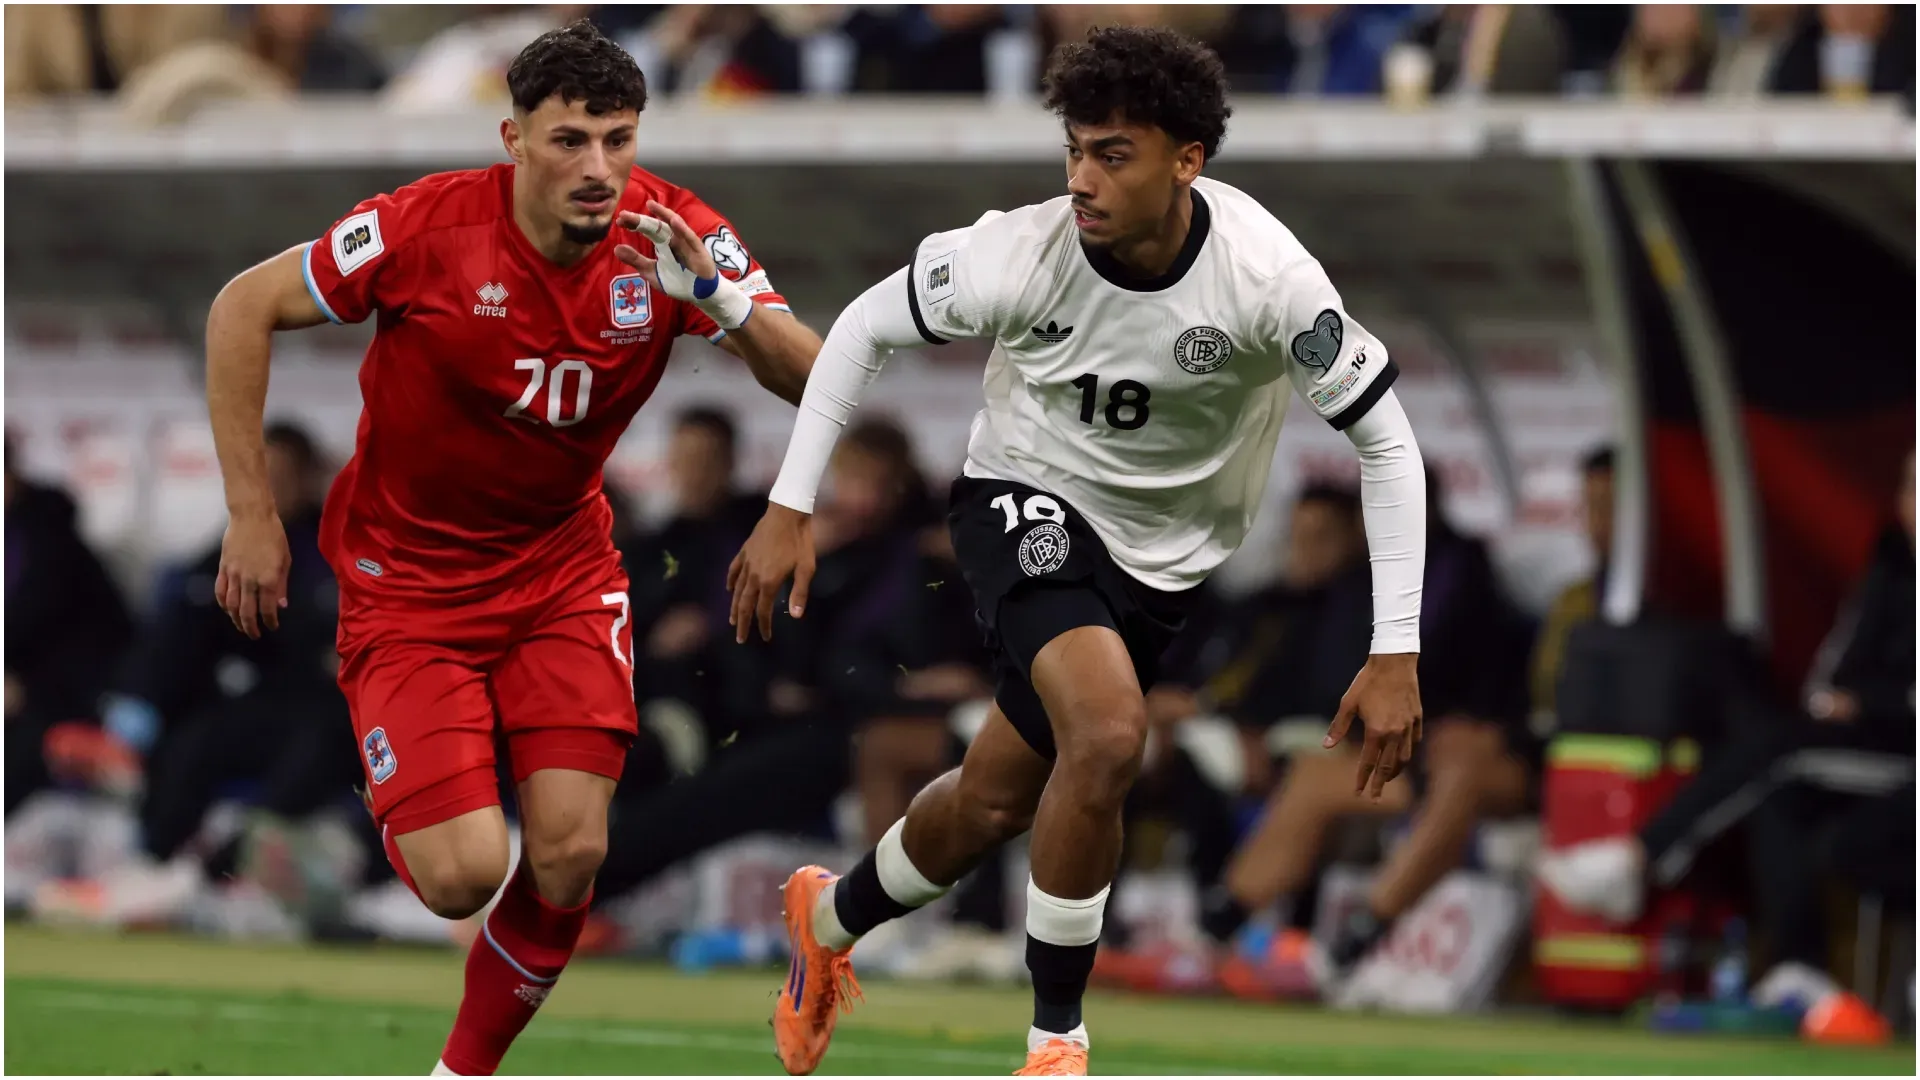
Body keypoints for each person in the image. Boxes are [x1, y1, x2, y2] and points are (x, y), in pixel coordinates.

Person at [728, 26, 1428, 1076]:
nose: (1083, 178)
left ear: (1187, 160)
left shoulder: (1268, 278)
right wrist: (791, 504)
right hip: (1025, 498)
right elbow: (867, 328)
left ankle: (827, 920)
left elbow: (1387, 442)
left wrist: (1396, 649)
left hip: (1164, 567)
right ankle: (1057, 1039)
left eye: (1114, 155)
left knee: (995, 801)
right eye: (1075, 150)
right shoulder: (1022, 251)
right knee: (1108, 736)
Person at [202, 21, 818, 1076]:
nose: (600, 169)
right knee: (461, 875)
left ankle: (459, 1073)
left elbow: (817, 373)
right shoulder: (422, 229)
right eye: (572, 141)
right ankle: (395, 787)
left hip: (560, 576)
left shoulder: (672, 233)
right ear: (514, 139)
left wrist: (715, 298)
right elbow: (240, 307)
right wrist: (253, 513)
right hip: (408, 585)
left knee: (575, 849)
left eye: (619, 140)